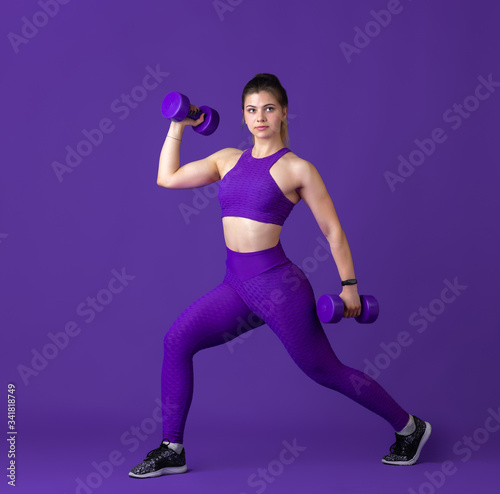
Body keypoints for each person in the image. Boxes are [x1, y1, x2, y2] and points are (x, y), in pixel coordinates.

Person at [128, 73, 431, 479]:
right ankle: (172, 448)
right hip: (235, 286)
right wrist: (178, 123)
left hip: (278, 287)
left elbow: (333, 231)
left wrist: (349, 287)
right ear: (243, 116)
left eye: (268, 108)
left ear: (284, 112)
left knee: (325, 370)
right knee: (176, 341)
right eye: (252, 110)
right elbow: (167, 178)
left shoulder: (297, 169)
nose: (260, 117)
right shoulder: (226, 159)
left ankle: (410, 428)